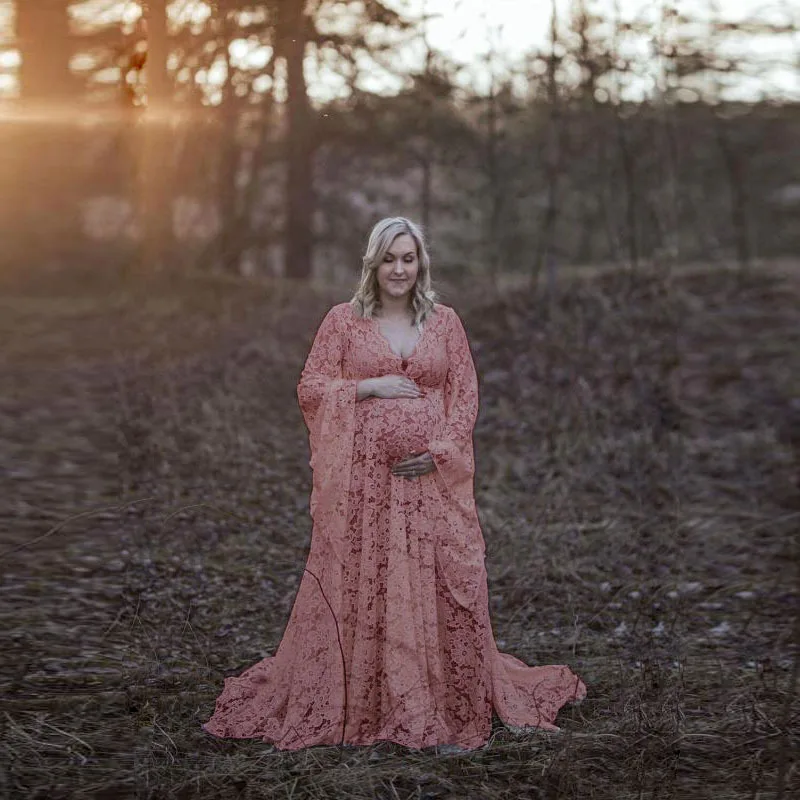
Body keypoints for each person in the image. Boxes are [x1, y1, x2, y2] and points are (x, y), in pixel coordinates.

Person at [202, 216, 587, 751]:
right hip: (366, 487)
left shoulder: (446, 322)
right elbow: (311, 386)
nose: (399, 269)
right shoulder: (343, 320)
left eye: (408, 258)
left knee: (446, 579)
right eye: (389, 258)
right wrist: (368, 386)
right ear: (372, 263)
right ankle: (372, 697)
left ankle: (432, 696)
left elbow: (465, 395)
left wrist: (441, 453)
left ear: (421, 264)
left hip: (431, 482)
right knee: (370, 581)